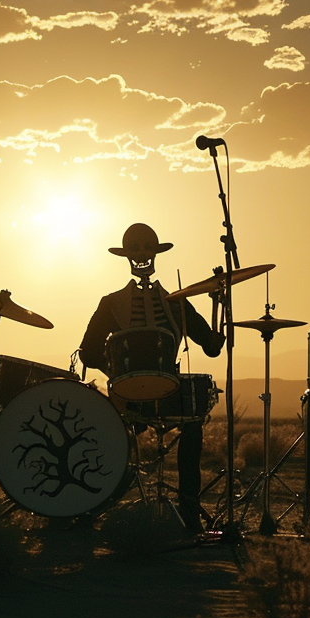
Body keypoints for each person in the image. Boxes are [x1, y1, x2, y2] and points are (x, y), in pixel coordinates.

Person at [79, 223, 224, 532]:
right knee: (106, 432)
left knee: (193, 421)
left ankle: (189, 510)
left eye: (148, 247)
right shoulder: (111, 303)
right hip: (126, 396)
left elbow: (211, 348)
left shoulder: (177, 301)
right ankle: (92, 503)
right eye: (136, 248)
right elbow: (87, 352)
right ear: (127, 256)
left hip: (168, 391)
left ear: (156, 252)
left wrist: (220, 306)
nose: (143, 253)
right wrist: (116, 373)